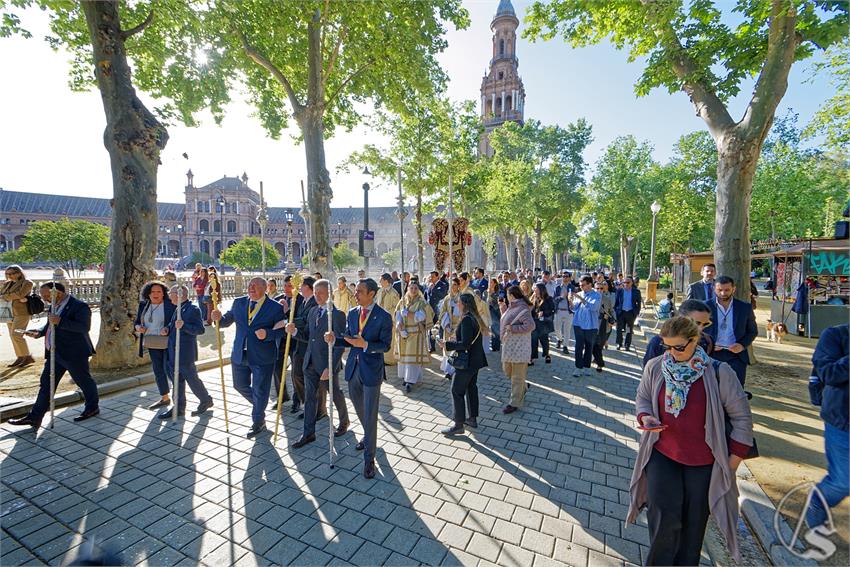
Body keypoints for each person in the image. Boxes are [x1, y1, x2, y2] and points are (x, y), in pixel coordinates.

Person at [628, 316, 753, 565]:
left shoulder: (719, 373)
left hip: (703, 462)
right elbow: (643, 398)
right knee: (663, 520)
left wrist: (731, 463)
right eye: (666, 347)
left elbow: (742, 418)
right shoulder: (656, 366)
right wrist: (646, 416)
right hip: (662, 454)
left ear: (695, 340)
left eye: (678, 347)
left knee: (693, 527)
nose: (672, 353)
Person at [325, 278, 393, 479]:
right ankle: (369, 436)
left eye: (360, 291)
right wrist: (335, 340)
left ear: (372, 294)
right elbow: (349, 339)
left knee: (370, 414)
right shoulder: (353, 313)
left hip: (371, 370)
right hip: (354, 369)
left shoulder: (383, 316)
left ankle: (369, 459)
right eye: (356, 291)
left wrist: (366, 345)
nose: (355, 294)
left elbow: (386, 346)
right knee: (360, 410)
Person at [10, 283, 100, 429]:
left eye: (46, 295)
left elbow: (83, 327)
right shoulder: (53, 305)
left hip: (74, 353)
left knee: (83, 381)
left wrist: (60, 321)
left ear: (57, 293)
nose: (44, 299)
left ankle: (92, 407)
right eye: (43, 296)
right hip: (54, 353)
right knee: (46, 384)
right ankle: (34, 417)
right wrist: (39, 332)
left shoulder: (79, 306)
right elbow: (49, 325)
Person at [212, 277, 285, 438]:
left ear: (265, 288)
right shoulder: (239, 302)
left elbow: (282, 331)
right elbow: (225, 321)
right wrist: (217, 318)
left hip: (263, 356)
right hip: (240, 354)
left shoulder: (275, 307)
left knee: (260, 389)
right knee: (239, 385)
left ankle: (258, 421)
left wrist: (267, 334)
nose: (251, 288)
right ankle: (260, 404)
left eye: (255, 286)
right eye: (250, 285)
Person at [286, 279, 349, 448]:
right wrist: (295, 331)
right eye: (315, 292)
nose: (317, 296)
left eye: (321, 292)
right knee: (310, 398)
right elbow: (309, 336)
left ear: (329, 293)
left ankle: (344, 421)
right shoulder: (313, 311)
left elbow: (340, 345)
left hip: (327, 364)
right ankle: (308, 433)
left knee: (335, 393)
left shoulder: (337, 315)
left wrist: (330, 367)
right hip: (310, 362)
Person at [806, 323, 848, 532]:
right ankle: (819, 500)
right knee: (844, 481)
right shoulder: (835, 335)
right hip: (843, 422)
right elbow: (829, 374)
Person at [157, 285, 213, 419]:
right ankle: (179, 408)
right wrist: (167, 329)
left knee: (192, 379)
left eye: (171, 293)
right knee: (177, 381)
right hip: (173, 351)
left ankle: (205, 400)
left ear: (179, 294)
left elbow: (200, 330)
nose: (169, 296)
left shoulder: (192, 309)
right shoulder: (178, 308)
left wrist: (184, 326)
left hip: (185, 353)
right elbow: (173, 324)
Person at [439, 293, 488, 435]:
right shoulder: (474, 317)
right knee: (471, 388)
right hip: (475, 360)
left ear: (465, 304)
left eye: (459, 302)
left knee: (456, 390)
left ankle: (458, 424)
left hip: (467, 362)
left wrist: (447, 344)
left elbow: (465, 344)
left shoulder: (467, 319)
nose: (457, 305)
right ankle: (472, 418)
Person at [707, 276, 757, 386]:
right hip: (711, 354)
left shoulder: (745, 307)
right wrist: (708, 344)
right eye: (720, 290)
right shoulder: (705, 307)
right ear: (714, 289)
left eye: (727, 290)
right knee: (712, 389)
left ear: (733, 289)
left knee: (736, 389)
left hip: (736, 356)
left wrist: (742, 345)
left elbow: (752, 331)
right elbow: (696, 331)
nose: (723, 293)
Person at [134, 281, 176, 410]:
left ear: (164, 293)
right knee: (158, 370)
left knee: (169, 369)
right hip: (152, 342)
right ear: (148, 293)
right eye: (153, 292)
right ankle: (165, 398)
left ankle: (178, 398)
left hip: (168, 342)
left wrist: (168, 328)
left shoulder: (170, 305)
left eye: (159, 291)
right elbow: (136, 322)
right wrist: (138, 327)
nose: (155, 294)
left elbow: (176, 322)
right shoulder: (144, 305)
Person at [643, 299, 715, 367]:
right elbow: (648, 371)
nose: (700, 328)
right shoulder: (659, 342)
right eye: (696, 323)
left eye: (705, 324)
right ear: (680, 318)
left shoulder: (707, 342)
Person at [499, 285, 535, 414]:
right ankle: (523, 387)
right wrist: (502, 308)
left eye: (507, 294)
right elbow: (507, 322)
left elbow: (531, 326)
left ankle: (514, 403)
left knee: (517, 377)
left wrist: (513, 329)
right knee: (507, 370)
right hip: (509, 346)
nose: (506, 296)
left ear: (512, 295)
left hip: (520, 347)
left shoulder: (523, 309)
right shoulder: (511, 307)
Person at [394, 281, 434, 392]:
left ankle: (410, 380)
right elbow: (397, 314)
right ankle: (405, 377)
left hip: (416, 333)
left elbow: (423, 316)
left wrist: (409, 314)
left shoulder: (421, 302)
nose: (413, 290)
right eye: (411, 288)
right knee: (404, 357)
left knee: (412, 359)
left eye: (415, 288)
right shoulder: (403, 300)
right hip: (404, 332)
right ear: (407, 288)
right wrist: (399, 325)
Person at [1, 265, 35, 367]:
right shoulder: (7, 283)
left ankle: (27, 357)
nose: (10, 275)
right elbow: (2, 294)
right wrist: (10, 296)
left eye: (12, 273)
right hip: (8, 312)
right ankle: (20, 356)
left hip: (22, 312)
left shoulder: (27, 282)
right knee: (12, 336)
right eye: (7, 274)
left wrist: (5, 296)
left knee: (16, 335)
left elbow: (20, 294)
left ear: (19, 273)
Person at [571, 276, 601, 377]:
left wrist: (581, 299)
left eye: (583, 285)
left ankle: (587, 367)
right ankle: (578, 367)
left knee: (589, 346)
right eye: (580, 285)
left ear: (589, 284)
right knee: (578, 346)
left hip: (591, 326)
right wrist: (570, 302)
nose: (581, 287)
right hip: (578, 324)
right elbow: (574, 309)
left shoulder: (596, 295)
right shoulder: (579, 294)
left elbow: (593, 307)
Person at [592, 280, 616, 373]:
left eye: (601, 288)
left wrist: (613, 319)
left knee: (599, 346)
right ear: (594, 289)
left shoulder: (607, 299)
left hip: (604, 325)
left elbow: (611, 311)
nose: (599, 290)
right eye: (597, 288)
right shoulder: (590, 298)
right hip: (592, 325)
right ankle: (600, 362)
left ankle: (599, 362)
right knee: (593, 345)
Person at [614, 276, 642, 352]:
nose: (626, 284)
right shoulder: (619, 291)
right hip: (621, 313)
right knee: (619, 329)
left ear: (632, 283)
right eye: (624, 282)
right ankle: (619, 343)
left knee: (629, 330)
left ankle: (627, 345)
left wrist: (636, 313)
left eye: (628, 282)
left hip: (630, 313)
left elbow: (639, 303)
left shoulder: (636, 291)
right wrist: (616, 311)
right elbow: (616, 302)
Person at [530, 283, 555, 365]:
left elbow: (552, 310)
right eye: (534, 288)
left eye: (536, 289)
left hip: (544, 323)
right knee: (533, 340)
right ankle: (532, 357)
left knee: (544, 340)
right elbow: (531, 309)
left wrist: (544, 313)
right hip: (535, 322)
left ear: (541, 289)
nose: (534, 290)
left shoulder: (548, 298)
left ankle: (547, 354)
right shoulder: (534, 298)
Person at [426, 271, 449, 352]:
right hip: (431, 310)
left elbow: (443, 295)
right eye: (430, 276)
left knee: (440, 329)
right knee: (431, 328)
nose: (431, 278)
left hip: (439, 310)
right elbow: (428, 297)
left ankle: (442, 346)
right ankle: (432, 347)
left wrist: (434, 289)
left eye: (432, 276)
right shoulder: (429, 286)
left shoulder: (443, 285)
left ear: (437, 277)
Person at [553, 273, 575, 354]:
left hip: (568, 311)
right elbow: (554, 300)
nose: (565, 278)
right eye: (563, 276)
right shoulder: (558, 287)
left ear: (569, 278)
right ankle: (559, 339)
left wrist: (571, 298)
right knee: (557, 329)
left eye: (566, 276)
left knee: (567, 330)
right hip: (559, 311)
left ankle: (565, 346)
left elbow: (575, 299)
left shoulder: (572, 287)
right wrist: (562, 297)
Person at [485, 278, 503, 352]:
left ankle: (496, 347)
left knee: (496, 329)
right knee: (492, 330)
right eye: (489, 282)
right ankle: (493, 346)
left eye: (491, 282)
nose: (490, 284)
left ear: (495, 284)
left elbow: (499, 302)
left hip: (496, 312)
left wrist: (492, 294)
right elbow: (484, 301)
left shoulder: (499, 292)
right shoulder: (485, 292)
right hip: (488, 312)